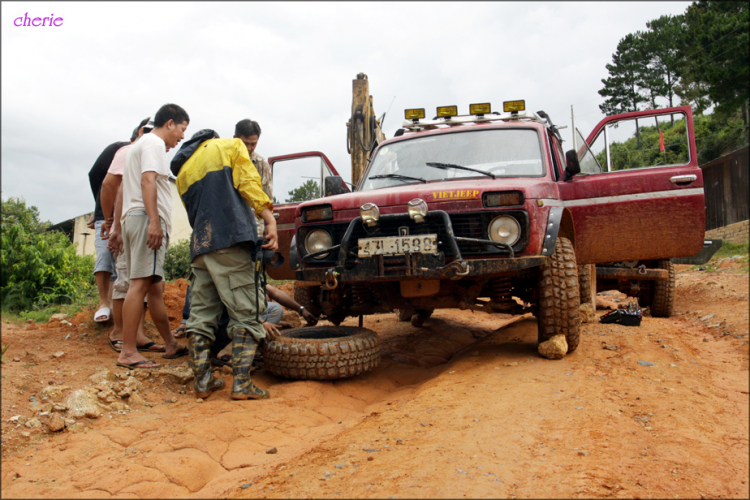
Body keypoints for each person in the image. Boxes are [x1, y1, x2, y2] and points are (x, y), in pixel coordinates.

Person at [171, 128, 276, 400]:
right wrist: (269, 219)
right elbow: (248, 182)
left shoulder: (183, 171)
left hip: (201, 249)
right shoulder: (230, 147)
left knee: (201, 317)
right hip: (230, 241)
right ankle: (242, 384)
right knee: (248, 313)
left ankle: (203, 382)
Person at [116, 103, 190, 370]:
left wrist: (118, 225)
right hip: (145, 219)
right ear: (170, 123)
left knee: (155, 287)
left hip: (134, 218)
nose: (181, 137)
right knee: (139, 284)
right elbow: (149, 181)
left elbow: (126, 186)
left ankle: (170, 344)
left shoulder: (140, 143)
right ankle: (127, 352)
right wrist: (155, 223)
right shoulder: (154, 144)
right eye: (181, 130)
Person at [101, 118, 164, 354]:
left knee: (142, 282)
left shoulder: (144, 153)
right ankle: (120, 334)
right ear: (141, 132)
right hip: (134, 222)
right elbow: (115, 188)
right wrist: (112, 223)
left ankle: (136, 335)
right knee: (128, 282)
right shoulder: (130, 150)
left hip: (135, 221)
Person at [87, 137, 130, 322]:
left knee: (119, 260)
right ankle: (103, 303)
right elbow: (96, 175)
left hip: (128, 215)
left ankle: (113, 305)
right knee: (105, 256)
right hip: (105, 216)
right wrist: (102, 205)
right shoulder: (119, 149)